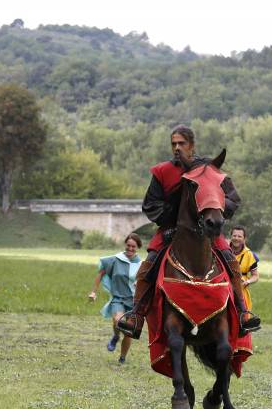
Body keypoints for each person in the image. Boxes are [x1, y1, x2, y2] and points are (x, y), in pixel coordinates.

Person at [118, 125, 260, 337]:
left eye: (181, 143)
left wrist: (215, 215)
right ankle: (135, 316)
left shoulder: (209, 170)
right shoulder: (162, 171)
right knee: (146, 270)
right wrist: (172, 223)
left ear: (191, 145)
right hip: (169, 232)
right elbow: (151, 204)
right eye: (173, 143)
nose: (177, 147)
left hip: (208, 232)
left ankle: (243, 313)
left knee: (232, 264)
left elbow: (232, 198)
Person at [88, 233, 142, 364]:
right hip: (118, 298)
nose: (130, 248)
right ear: (125, 245)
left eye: (133, 246)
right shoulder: (115, 259)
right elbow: (101, 273)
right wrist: (93, 292)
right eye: (128, 245)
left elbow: (148, 281)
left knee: (128, 331)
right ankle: (116, 336)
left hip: (134, 302)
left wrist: (139, 282)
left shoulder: (142, 264)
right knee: (118, 320)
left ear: (138, 247)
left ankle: (122, 358)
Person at [230, 226, 259, 311]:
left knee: (243, 318)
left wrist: (248, 281)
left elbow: (255, 276)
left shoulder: (249, 255)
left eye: (239, 236)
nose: (236, 238)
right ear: (231, 237)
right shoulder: (224, 251)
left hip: (241, 291)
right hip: (225, 290)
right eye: (234, 236)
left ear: (244, 239)